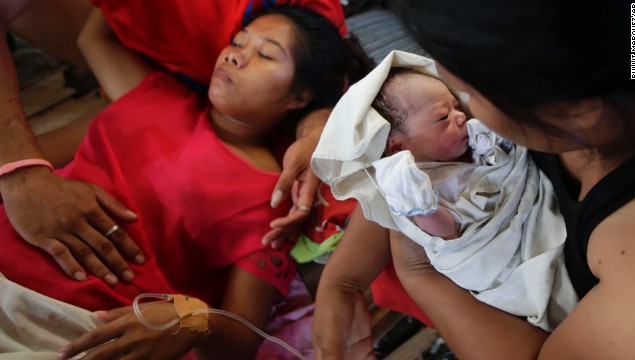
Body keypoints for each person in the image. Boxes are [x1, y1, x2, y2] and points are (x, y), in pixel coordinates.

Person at [0, 6, 368, 359]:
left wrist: (192, 318)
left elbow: (239, 342)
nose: (235, 56)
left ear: (300, 97)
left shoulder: (270, 197)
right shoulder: (155, 93)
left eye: (266, 55)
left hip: (73, 322)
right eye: (238, 42)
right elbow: (95, 35)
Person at [314, 0, 635, 359]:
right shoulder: (590, 75)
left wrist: (420, 274)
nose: (461, 109)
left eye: (461, 88)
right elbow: (421, 166)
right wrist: (339, 282)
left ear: (573, 113)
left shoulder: (628, 254)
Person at [312, 50, 576, 345]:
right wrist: (421, 208)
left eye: (455, 104)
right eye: (443, 117)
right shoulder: (412, 190)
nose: (461, 115)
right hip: (498, 259)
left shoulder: (467, 143)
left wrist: (493, 146)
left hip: (537, 214)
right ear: (398, 148)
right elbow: (447, 234)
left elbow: (508, 162)